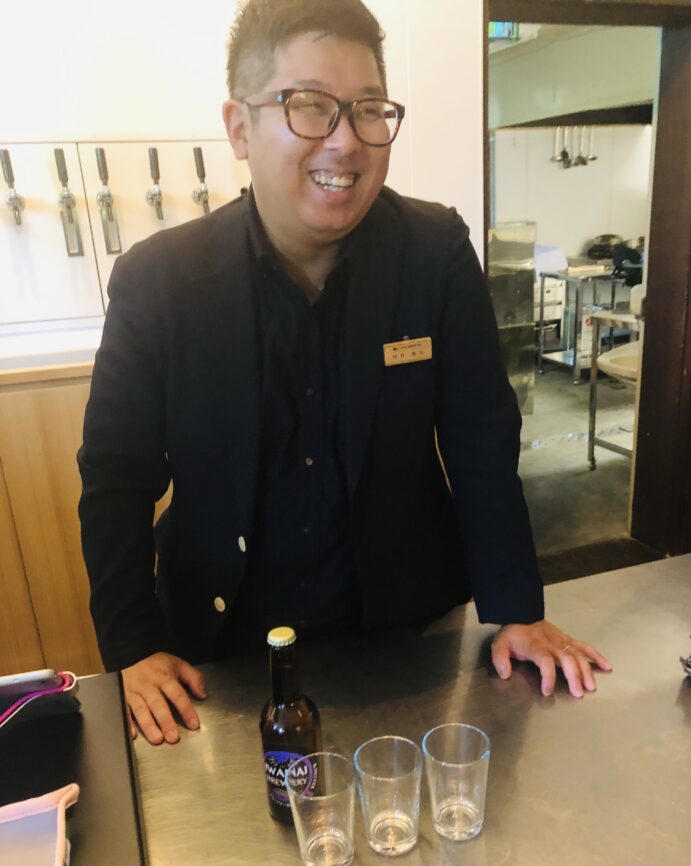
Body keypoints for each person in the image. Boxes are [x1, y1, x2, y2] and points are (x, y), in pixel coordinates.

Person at [78, 0, 611, 745]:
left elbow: (481, 439)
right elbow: (116, 480)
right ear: (239, 127)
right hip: (220, 650)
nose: (346, 141)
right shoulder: (159, 281)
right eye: (309, 106)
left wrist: (516, 607)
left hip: (408, 635)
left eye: (367, 110)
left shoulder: (432, 252)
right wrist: (134, 644)